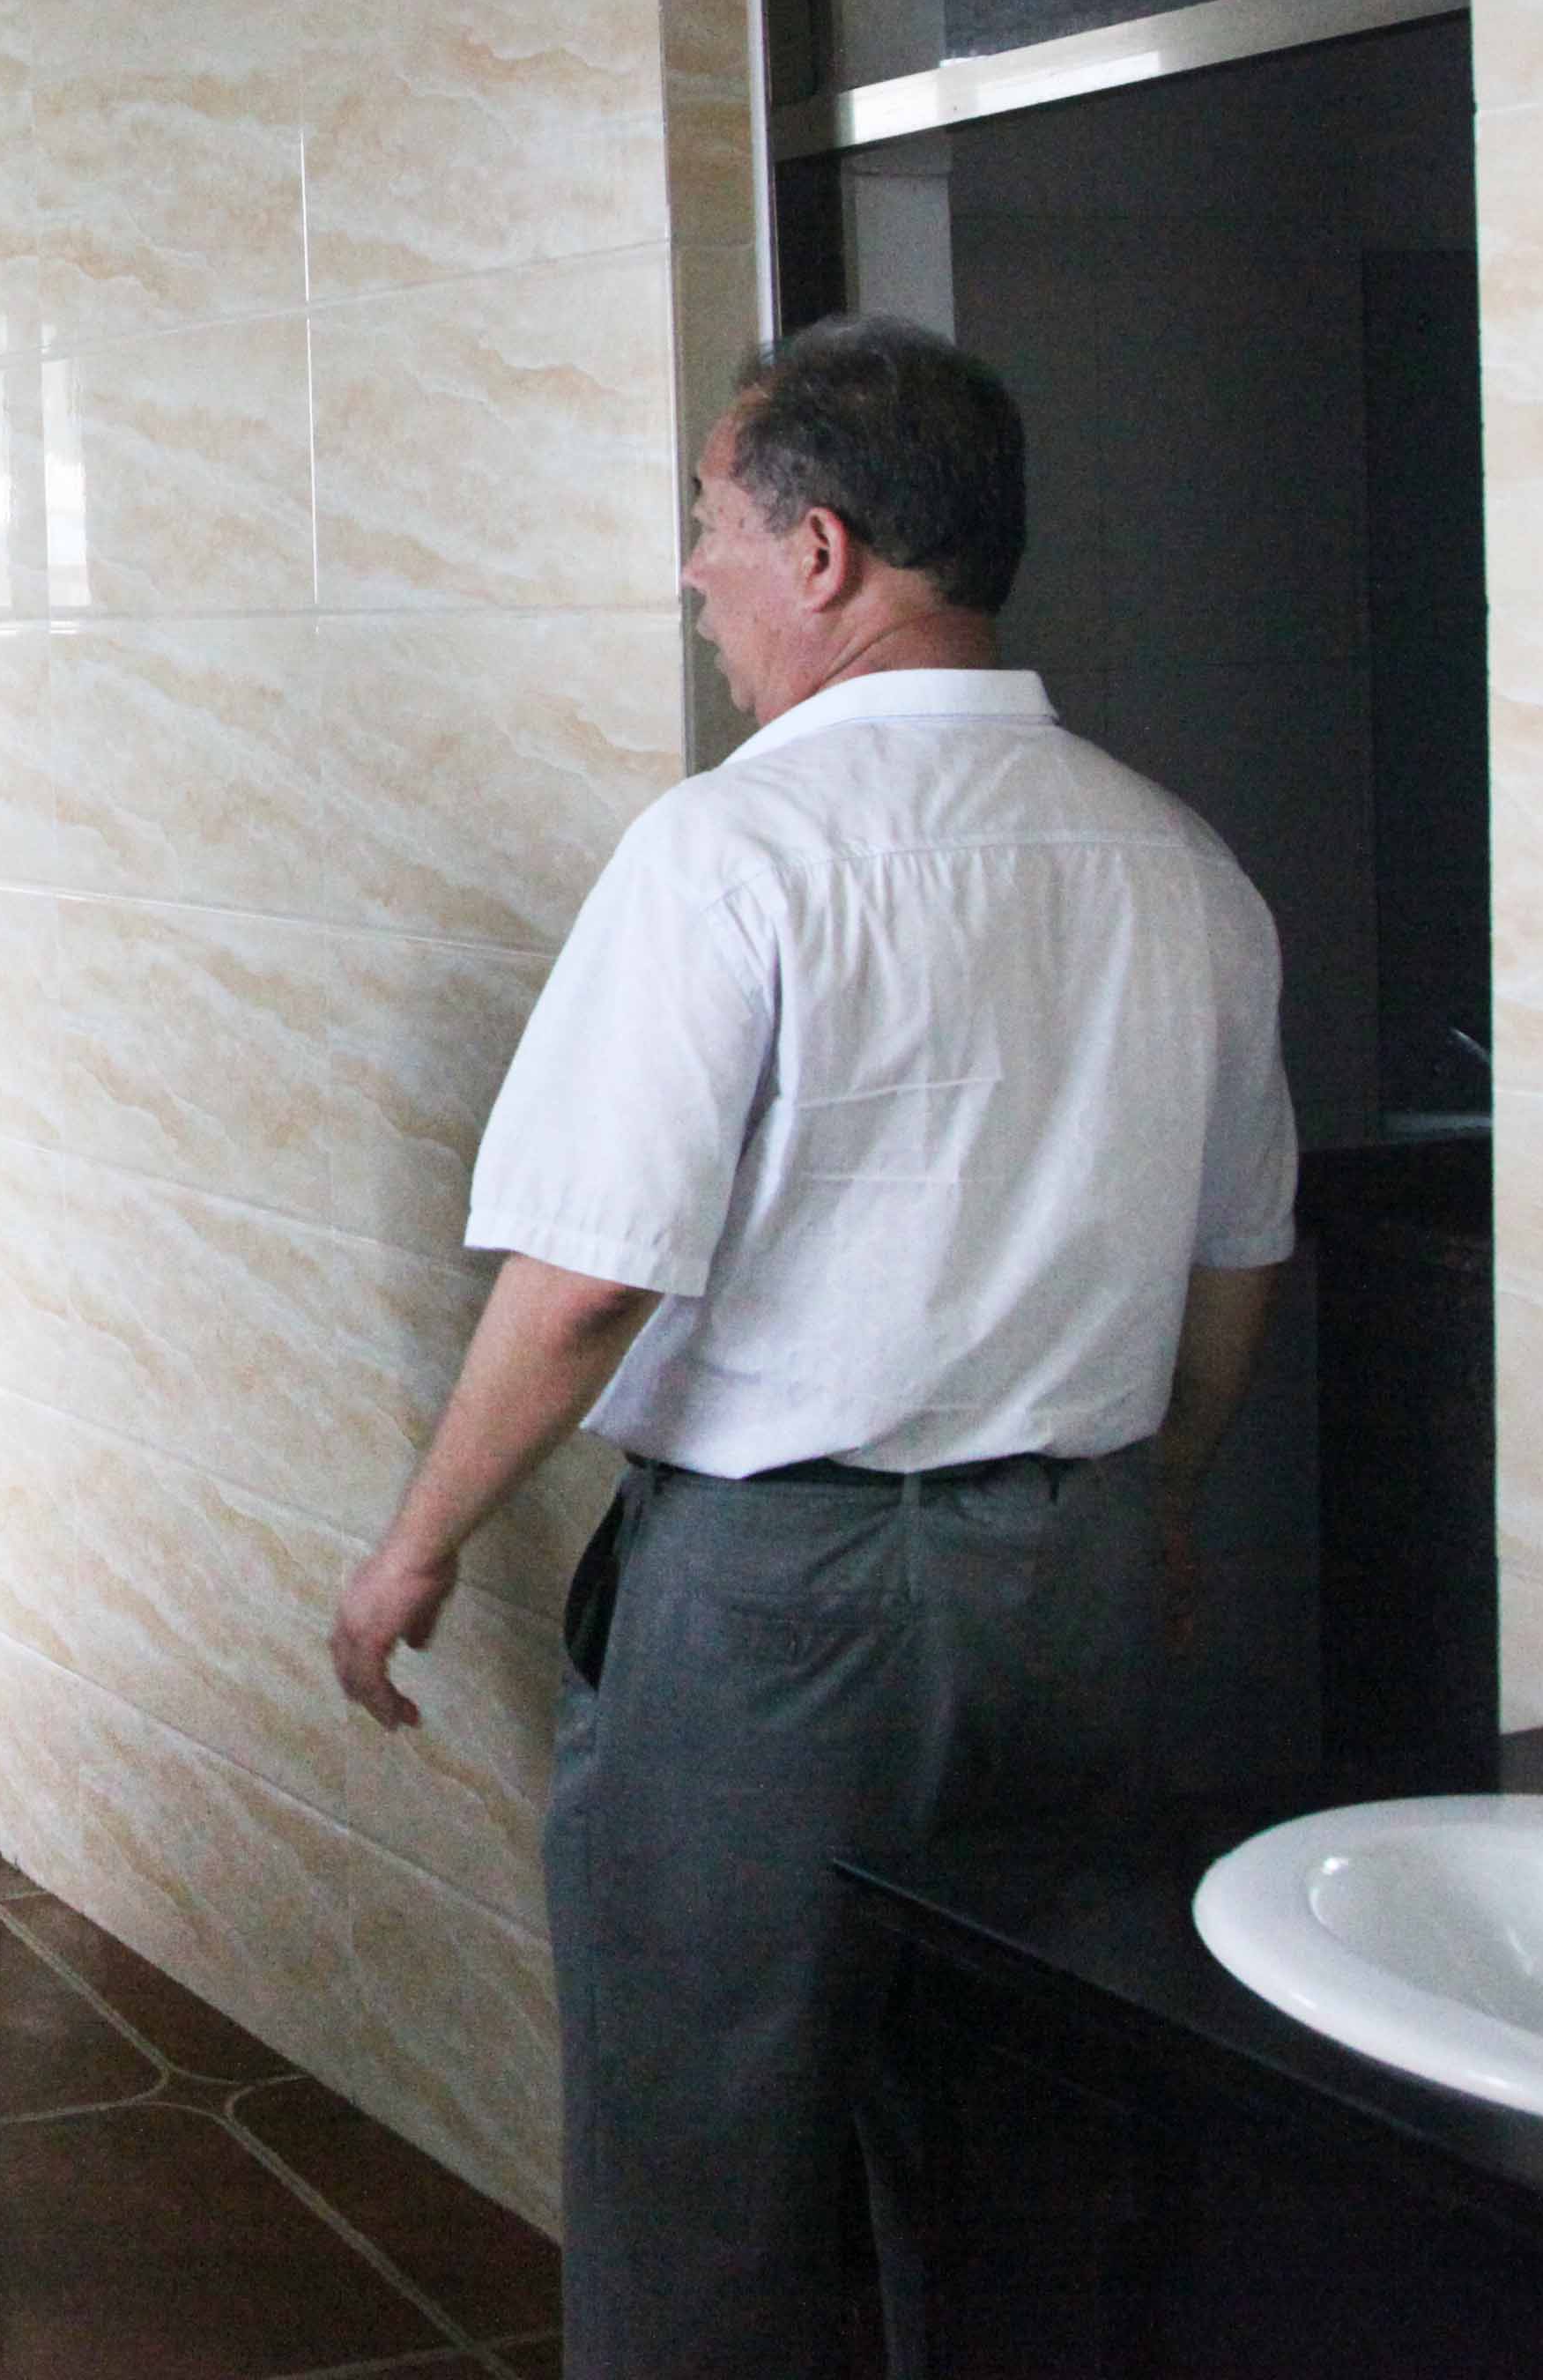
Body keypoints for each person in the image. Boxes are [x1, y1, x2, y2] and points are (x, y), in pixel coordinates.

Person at [325, 315, 1294, 2380]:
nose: (696, 575)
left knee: (704, 2151)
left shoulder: (731, 851)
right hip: (1077, 1578)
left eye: (709, 524)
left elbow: (588, 1280)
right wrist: (1162, 1505)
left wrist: (415, 1544)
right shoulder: (1179, 862)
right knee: (1016, 2139)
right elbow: (1234, 1264)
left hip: (787, 1602)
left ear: (823, 549)